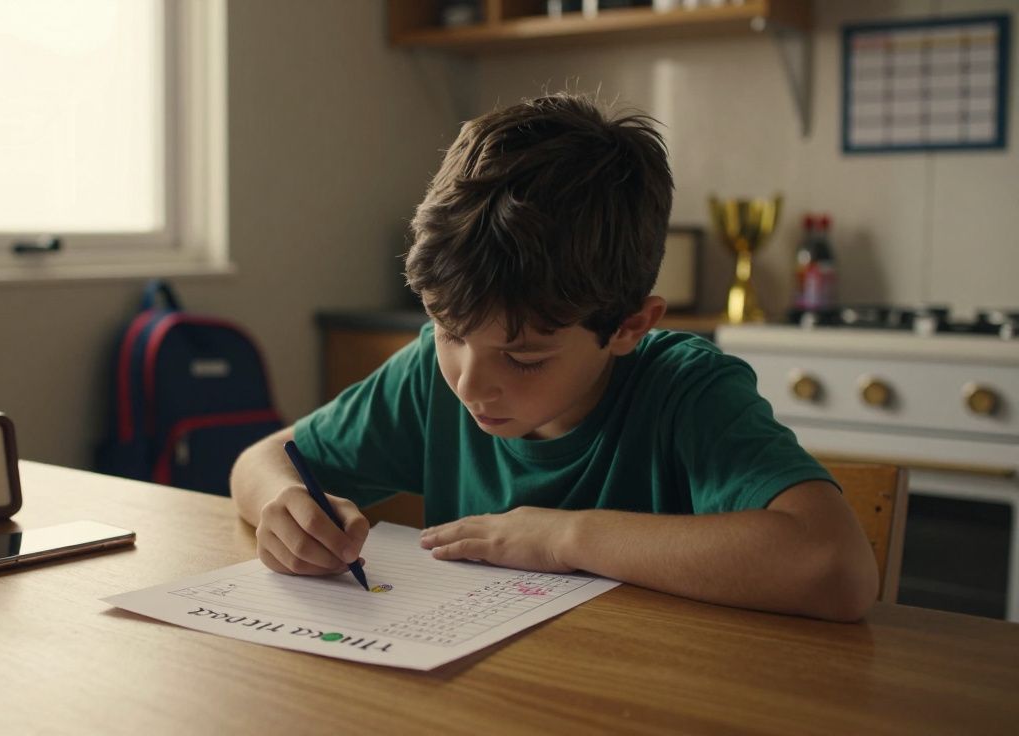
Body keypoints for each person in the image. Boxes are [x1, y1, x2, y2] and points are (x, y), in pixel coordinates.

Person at [231, 93, 878, 622]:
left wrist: (565, 537)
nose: (471, 385)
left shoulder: (686, 392)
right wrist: (285, 504)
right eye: (450, 332)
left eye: (523, 358)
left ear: (628, 327)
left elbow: (835, 567)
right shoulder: (430, 374)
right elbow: (262, 460)